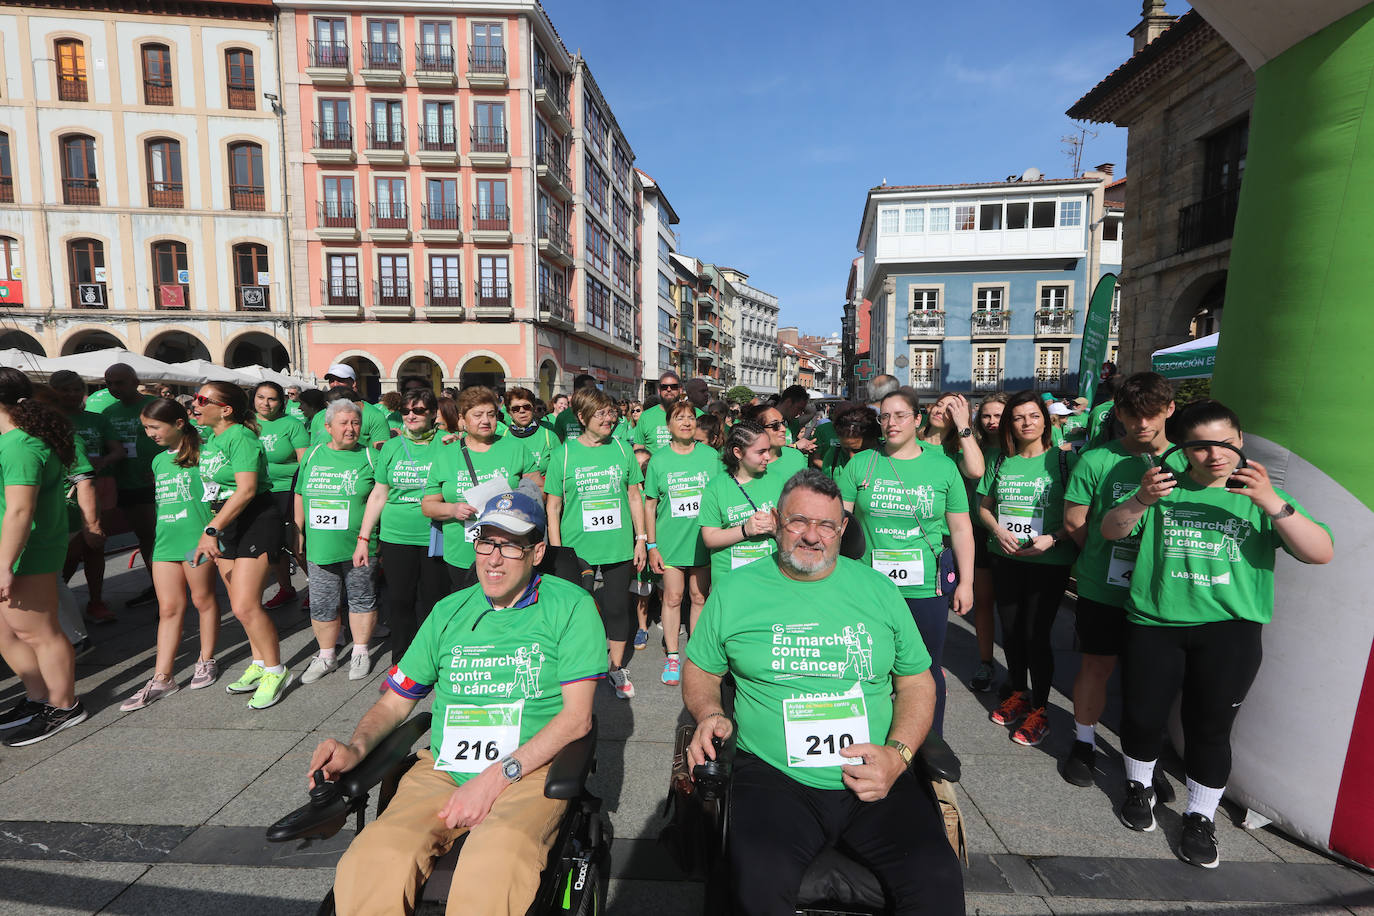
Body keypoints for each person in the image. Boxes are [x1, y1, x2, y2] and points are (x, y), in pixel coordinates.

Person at [683, 469, 964, 915]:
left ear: (842, 530)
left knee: (937, 881)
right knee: (754, 887)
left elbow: (916, 682)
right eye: (798, 521)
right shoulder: (736, 589)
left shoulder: (878, 590)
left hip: (875, 775)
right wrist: (708, 711)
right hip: (776, 778)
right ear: (776, 521)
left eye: (826, 525)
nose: (812, 536)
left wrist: (900, 755)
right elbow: (700, 669)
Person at [313, 490, 606, 915]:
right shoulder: (449, 610)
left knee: (495, 866)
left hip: (527, 772)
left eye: (510, 545)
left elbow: (577, 719)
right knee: (373, 858)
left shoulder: (572, 607)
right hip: (445, 769)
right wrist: (355, 748)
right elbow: (396, 703)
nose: (493, 558)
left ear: (537, 551)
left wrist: (493, 779)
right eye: (485, 541)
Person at [1101, 399, 1332, 869]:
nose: (1215, 456)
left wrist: (1271, 502)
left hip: (1229, 632)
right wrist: (1141, 499)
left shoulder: (1260, 493)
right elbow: (1110, 530)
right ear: (1183, 449)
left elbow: (1320, 551)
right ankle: (1138, 786)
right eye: (1202, 447)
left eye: (1226, 444)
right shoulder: (1162, 487)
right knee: (1143, 718)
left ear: (1241, 441)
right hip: (1155, 624)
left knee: (1210, 729)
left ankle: (1200, 816)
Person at [1060, 373, 1180, 787]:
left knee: (1152, 680)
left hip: (1165, 591)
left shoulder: (1186, 462)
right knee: (1096, 665)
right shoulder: (1097, 459)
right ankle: (1083, 742)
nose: (1141, 424)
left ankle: (1144, 760)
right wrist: (1100, 556)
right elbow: (1075, 522)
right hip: (1103, 585)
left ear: (1169, 410)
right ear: (1119, 415)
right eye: (1131, 416)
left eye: (1150, 414)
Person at [840, 387, 974, 736]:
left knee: (927, 669)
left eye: (900, 415)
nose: (891, 423)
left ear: (917, 419)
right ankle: (877, 740)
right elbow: (838, 524)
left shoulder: (943, 467)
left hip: (925, 587)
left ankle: (930, 744)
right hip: (870, 587)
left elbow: (961, 529)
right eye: (884, 416)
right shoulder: (861, 464)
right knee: (870, 668)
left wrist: (967, 582)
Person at [976, 391, 1080, 747]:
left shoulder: (1064, 461)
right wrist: (996, 530)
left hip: (1048, 562)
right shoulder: (1001, 460)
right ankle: (1018, 692)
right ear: (1010, 424)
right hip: (1006, 557)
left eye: (1033, 416)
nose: (1026, 423)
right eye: (1019, 417)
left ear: (1046, 420)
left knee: (1037, 634)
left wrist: (1054, 537)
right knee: (1011, 630)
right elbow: (984, 507)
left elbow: (1081, 515)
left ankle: (1041, 709)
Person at [0, 368, 87, 746]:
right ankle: (38, 698)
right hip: (13, 547)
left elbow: (20, 510)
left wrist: (5, 564)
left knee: (38, 632)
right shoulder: (14, 440)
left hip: (26, 551)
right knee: (7, 633)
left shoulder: (20, 444)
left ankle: (64, 706)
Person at [544, 387, 647, 700]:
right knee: (576, 612)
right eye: (601, 413)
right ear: (582, 417)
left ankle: (616, 668)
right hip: (577, 550)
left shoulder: (621, 448)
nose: (609, 418)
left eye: (611, 412)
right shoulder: (563, 454)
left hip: (617, 544)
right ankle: (577, 668)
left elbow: (634, 495)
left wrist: (641, 539)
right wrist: (558, 552)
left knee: (616, 608)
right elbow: (553, 506)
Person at [119, 398, 222, 710]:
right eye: (146, 428)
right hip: (164, 541)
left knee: (203, 600)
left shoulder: (207, 453)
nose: (150, 433)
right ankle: (163, 677)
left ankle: (206, 660)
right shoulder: (158, 460)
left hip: (197, 539)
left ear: (178, 423)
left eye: (155, 426)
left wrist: (213, 533)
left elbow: (221, 496)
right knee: (168, 609)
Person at [194, 381, 290, 710]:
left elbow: (247, 489)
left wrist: (211, 529)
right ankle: (259, 662)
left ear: (226, 410)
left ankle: (276, 671)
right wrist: (214, 526)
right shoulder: (210, 438)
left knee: (245, 605)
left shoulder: (241, 436)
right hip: (226, 522)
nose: (195, 403)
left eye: (202, 399)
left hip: (255, 519)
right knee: (239, 603)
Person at [356, 388, 447, 665]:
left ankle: (435, 657)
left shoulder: (449, 443)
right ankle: (402, 661)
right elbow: (379, 494)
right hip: (397, 536)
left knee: (435, 601)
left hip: (437, 533)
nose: (411, 415)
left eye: (418, 410)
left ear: (432, 413)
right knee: (400, 600)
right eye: (406, 411)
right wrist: (364, 538)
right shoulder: (393, 446)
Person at [295, 400, 380, 684]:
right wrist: (298, 530)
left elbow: (381, 498)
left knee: (361, 598)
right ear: (328, 427)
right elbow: (299, 493)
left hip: (359, 544)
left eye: (355, 423)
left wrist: (366, 538)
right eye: (344, 423)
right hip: (321, 545)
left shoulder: (370, 456)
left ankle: (360, 651)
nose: (351, 428)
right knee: (322, 602)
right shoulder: (313, 454)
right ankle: (327, 655)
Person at [423, 387, 539, 591]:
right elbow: (428, 506)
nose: (485, 420)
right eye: (477, 415)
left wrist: (515, 503)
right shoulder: (446, 456)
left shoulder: (515, 449)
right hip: (461, 552)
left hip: (507, 551)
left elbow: (539, 491)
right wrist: (452, 509)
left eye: (491, 414)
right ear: (462, 419)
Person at [644, 398, 720, 685]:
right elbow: (650, 505)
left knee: (699, 597)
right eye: (680, 418)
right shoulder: (660, 460)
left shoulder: (711, 457)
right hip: (670, 542)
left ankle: (697, 656)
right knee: (674, 598)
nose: (687, 422)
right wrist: (651, 546)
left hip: (702, 541)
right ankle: (673, 655)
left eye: (691, 417)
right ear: (669, 425)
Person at [49, 370, 121, 624]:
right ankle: (57, 596)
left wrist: (102, 460)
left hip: (98, 485)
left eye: (76, 389)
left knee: (94, 547)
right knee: (68, 550)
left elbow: (117, 450)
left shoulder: (97, 420)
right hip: (64, 490)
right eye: (65, 389)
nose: (71, 394)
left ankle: (96, 601)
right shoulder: (50, 420)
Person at [98, 363, 160, 608]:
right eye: (109, 383)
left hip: (155, 482)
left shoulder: (153, 406)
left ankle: (169, 587)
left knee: (159, 536)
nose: (114, 388)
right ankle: (157, 584)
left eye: (120, 382)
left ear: (135, 381)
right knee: (145, 536)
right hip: (125, 483)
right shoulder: (108, 413)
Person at [699, 421, 784, 581]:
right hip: (730, 578)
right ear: (738, 452)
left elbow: (792, 529)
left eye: (768, 450)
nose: (767, 456)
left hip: (770, 575)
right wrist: (745, 530)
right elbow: (709, 538)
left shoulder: (778, 481)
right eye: (761, 452)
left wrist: (774, 528)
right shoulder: (715, 487)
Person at [255, 382, 309, 610]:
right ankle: (286, 589)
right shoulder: (246, 425)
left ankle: (318, 587)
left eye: (272, 399)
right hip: (259, 491)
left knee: (296, 543)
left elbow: (304, 463)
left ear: (282, 401)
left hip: (288, 491)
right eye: (260, 397)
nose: (265, 403)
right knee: (272, 546)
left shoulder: (292, 424)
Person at [967, 393, 1008, 693]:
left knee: (1009, 607)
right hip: (978, 531)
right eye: (986, 416)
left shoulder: (1019, 451)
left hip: (1012, 534)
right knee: (983, 602)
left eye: (998, 416)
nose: (992, 422)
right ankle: (985, 662)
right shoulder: (973, 448)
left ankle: (1018, 670)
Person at [916, 391, 985, 482]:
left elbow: (976, 471)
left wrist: (963, 425)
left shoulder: (957, 454)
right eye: (939, 405)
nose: (939, 411)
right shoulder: (912, 441)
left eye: (949, 410)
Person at [502, 386, 559, 480]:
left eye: (526, 407)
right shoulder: (501, 436)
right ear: (509, 412)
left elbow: (559, 473)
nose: (522, 411)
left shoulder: (549, 436)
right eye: (516, 408)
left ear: (533, 408)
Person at [815, 404, 880, 479]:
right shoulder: (833, 456)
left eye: (857, 450)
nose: (851, 457)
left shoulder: (889, 456)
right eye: (845, 449)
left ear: (873, 440)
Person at [743, 403, 808, 479]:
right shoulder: (744, 463)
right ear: (756, 429)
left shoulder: (796, 457)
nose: (784, 429)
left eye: (783, 423)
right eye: (775, 425)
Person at [632, 373, 686, 460]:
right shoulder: (646, 416)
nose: (669, 389)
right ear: (659, 390)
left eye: (673, 386)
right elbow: (638, 449)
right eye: (664, 387)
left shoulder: (694, 414)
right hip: (654, 471)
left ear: (680, 389)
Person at [552, 374, 599, 441]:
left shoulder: (599, 414)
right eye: (591, 389)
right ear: (578, 390)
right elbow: (558, 442)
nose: (594, 393)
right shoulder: (563, 416)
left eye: (595, 390)